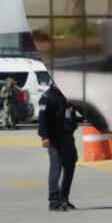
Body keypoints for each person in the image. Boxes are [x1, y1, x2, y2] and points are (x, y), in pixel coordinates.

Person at [38, 83, 80, 211]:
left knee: (70, 165)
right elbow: (42, 119)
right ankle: (54, 201)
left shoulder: (66, 95)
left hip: (67, 137)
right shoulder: (47, 97)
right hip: (54, 138)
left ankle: (64, 198)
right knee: (56, 168)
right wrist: (44, 137)